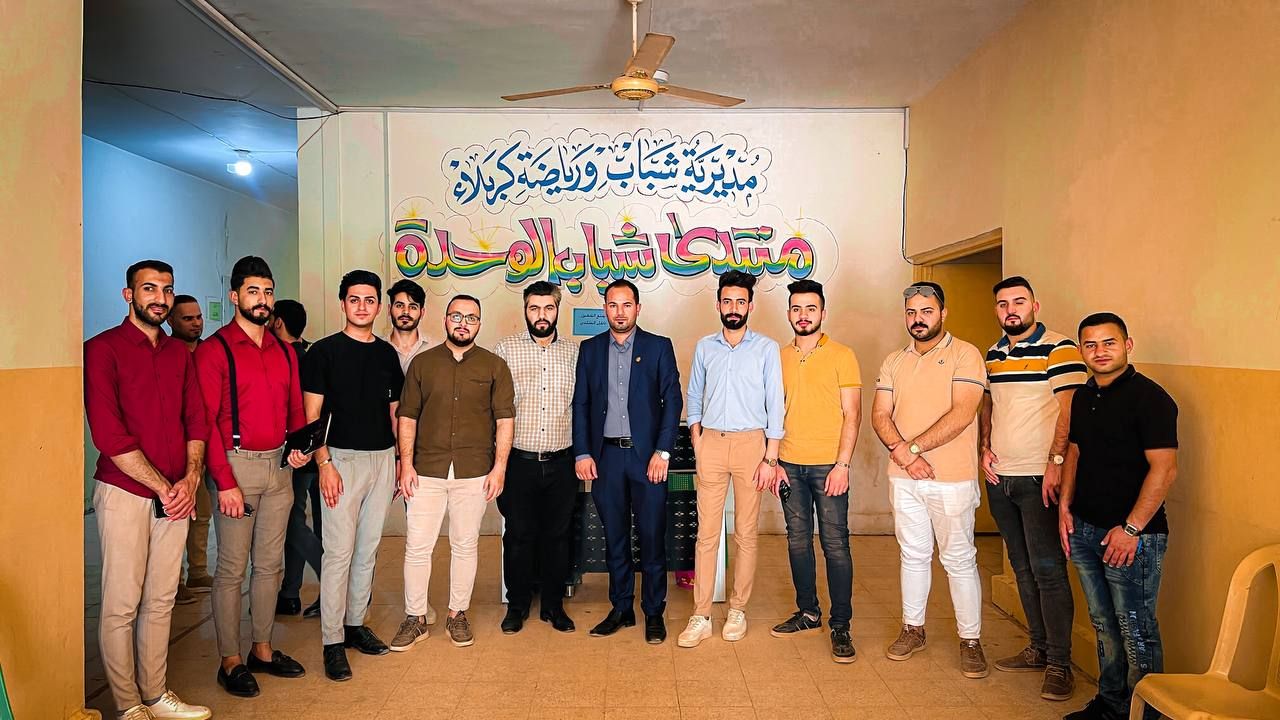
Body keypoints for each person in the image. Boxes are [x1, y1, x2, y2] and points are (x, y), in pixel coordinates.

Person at [84, 260, 212, 720]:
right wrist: (163, 486)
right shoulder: (101, 350)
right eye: (149, 289)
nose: (160, 298)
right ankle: (128, 705)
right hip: (125, 492)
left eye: (167, 290)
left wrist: (191, 479)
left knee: (160, 600)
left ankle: (156, 695)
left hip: (176, 494)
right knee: (122, 604)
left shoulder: (179, 354)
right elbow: (109, 434)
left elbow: (196, 419)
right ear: (129, 295)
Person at [195, 256, 310, 697]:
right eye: (253, 292)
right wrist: (223, 482)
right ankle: (230, 660)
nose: (262, 300)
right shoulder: (215, 350)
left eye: (267, 292)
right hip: (236, 466)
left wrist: (299, 448)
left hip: (279, 466)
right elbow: (206, 422)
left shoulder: (283, 351)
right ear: (234, 296)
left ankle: (262, 648)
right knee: (231, 568)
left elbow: (294, 408)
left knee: (269, 565)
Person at [1059, 313, 1177, 720]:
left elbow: (1164, 470)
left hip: (1133, 538)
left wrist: (1130, 529)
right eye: (1090, 345)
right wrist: (1065, 508)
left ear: (1128, 345)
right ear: (1081, 351)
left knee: (1136, 630)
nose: (1099, 352)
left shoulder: (1151, 399)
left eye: (1108, 343)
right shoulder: (1082, 397)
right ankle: (1111, 705)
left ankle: (1145, 714)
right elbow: (1075, 452)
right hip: (1085, 530)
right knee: (1103, 624)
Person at [871, 281, 990, 678]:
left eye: (926, 311)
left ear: (943, 313)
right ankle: (913, 629)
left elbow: (963, 413)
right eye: (911, 313)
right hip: (904, 478)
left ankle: (970, 640)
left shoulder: (965, 354)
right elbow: (880, 414)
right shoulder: (894, 360)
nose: (918, 319)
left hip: (951, 478)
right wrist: (905, 455)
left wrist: (912, 449)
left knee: (958, 559)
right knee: (913, 554)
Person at [979, 276, 1085, 700]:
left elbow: (1071, 411)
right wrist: (985, 446)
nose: (1011, 310)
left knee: (1048, 571)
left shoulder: (1060, 349)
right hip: (1000, 478)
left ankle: (1060, 664)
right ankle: (1037, 648)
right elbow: (990, 404)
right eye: (1003, 304)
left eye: (1019, 302)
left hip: (1040, 480)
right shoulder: (993, 353)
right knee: (1021, 568)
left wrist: (1056, 462)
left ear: (1035, 306)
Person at [394, 295, 515, 649]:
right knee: (418, 546)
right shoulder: (422, 364)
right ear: (445, 319)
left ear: (479, 323)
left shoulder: (494, 366)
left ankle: (457, 613)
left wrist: (499, 468)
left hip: (474, 471)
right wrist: (406, 464)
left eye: (471, 318)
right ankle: (415, 617)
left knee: (465, 544)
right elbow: (407, 417)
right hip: (425, 470)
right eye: (457, 316)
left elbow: (504, 420)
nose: (463, 323)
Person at [301, 271, 404, 680]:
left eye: (370, 300)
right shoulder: (323, 353)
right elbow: (312, 416)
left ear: (379, 306)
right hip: (339, 461)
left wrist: (400, 460)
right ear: (342, 303)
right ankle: (332, 641)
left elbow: (395, 412)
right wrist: (324, 464)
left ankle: (355, 624)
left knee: (367, 550)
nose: (362, 307)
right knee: (338, 553)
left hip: (382, 459)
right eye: (355, 299)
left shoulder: (386, 355)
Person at [678, 271, 784, 648]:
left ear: (750, 306)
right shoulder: (706, 347)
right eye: (727, 301)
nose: (734, 308)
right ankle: (701, 614)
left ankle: (738, 609)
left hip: (752, 446)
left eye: (741, 301)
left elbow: (776, 402)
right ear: (718, 304)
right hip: (711, 443)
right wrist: (697, 437)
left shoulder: (766, 348)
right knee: (707, 534)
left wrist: (770, 457)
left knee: (746, 532)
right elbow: (694, 394)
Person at [573, 279, 683, 643]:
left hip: (647, 459)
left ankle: (653, 612)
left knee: (651, 536)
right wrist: (583, 452)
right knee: (615, 537)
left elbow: (673, 402)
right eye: (612, 305)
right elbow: (582, 404)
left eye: (626, 305)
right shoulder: (590, 350)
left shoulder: (658, 347)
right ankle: (621, 608)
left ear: (638, 308)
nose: (619, 312)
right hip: (606, 458)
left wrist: (663, 452)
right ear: (605, 308)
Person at [770, 279, 861, 664]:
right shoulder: (777, 357)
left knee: (835, 544)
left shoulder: (842, 355)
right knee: (797, 541)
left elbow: (852, 413)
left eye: (810, 308)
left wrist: (843, 465)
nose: (803, 315)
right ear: (789, 313)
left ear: (823, 312)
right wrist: (773, 461)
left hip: (829, 466)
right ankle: (808, 612)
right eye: (796, 308)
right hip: (789, 465)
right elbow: (771, 412)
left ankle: (841, 625)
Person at [492, 281, 580, 634]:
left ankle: (554, 606)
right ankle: (517, 605)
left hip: (562, 461)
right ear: (525, 310)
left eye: (548, 308)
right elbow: (494, 408)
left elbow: (582, 406)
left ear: (557, 310)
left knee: (558, 537)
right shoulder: (505, 349)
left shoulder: (574, 353)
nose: (541, 315)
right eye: (534, 308)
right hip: (519, 462)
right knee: (519, 536)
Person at [271, 299, 324, 620]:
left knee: (292, 522)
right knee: (311, 523)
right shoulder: (314, 352)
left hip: (294, 453)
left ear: (278, 322)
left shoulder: (282, 356)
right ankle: (290, 593)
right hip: (321, 450)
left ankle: (331, 578)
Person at [167, 294, 211, 606]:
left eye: (198, 317)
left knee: (202, 513)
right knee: (177, 516)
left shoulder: (209, 352)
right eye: (187, 318)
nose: (196, 323)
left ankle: (197, 571)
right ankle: (175, 581)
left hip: (206, 447)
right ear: (171, 320)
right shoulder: (166, 353)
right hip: (175, 448)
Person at [386, 278, 434, 369]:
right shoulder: (375, 348)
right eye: (399, 305)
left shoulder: (435, 349)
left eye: (413, 307)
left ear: (422, 312)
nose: (406, 312)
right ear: (389, 309)